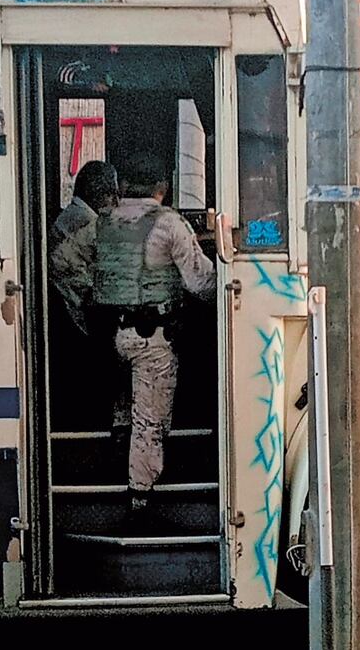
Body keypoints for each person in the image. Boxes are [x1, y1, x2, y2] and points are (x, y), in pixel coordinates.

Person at [92, 153, 215, 517]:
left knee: (123, 402)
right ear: (164, 188)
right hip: (151, 335)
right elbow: (201, 281)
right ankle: (140, 498)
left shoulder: (100, 221)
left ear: (126, 186)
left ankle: (117, 441)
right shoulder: (169, 224)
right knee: (150, 417)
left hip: (108, 333)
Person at [49, 161, 119, 335]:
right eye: (111, 194)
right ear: (95, 193)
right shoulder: (87, 221)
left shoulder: (70, 215)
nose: (116, 202)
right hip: (78, 314)